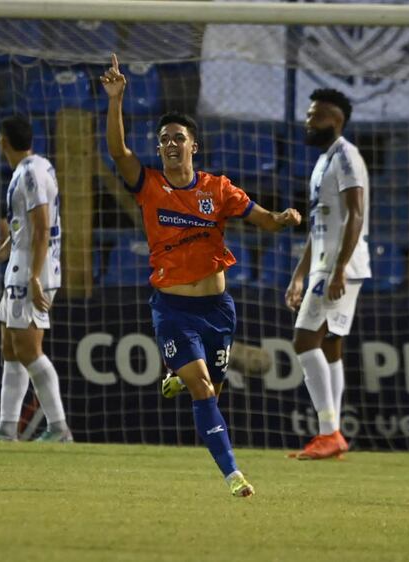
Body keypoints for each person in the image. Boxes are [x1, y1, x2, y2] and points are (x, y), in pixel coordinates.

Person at [100, 54, 301, 497]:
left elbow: (262, 218)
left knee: (215, 385)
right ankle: (234, 475)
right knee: (203, 388)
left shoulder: (218, 189)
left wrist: (283, 218)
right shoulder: (150, 185)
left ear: (195, 146)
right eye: (164, 140)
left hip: (217, 309)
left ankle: (177, 373)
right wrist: (116, 100)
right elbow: (118, 152)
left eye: (179, 138)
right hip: (172, 309)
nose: (170, 144)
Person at [0, 114, 72, 443]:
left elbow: (41, 228)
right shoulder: (35, 168)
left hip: (32, 269)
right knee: (10, 348)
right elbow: (23, 231)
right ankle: (7, 428)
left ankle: (58, 428)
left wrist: (35, 278)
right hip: (21, 265)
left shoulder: (29, 174)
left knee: (28, 348)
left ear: (2, 141)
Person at [285, 89, 370, 460]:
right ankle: (332, 436)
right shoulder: (324, 161)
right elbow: (319, 225)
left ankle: (328, 432)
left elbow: (356, 213)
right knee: (331, 346)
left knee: (305, 340)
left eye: (315, 116)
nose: (308, 121)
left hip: (340, 267)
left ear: (334, 121)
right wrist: (298, 275)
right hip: (327, 265)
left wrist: (337, 269)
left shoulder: (347, 155)